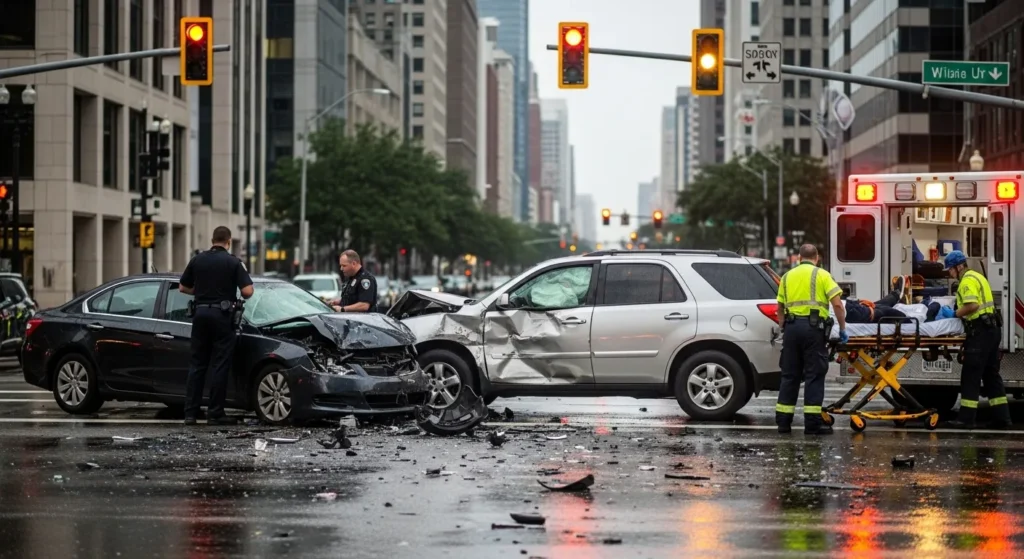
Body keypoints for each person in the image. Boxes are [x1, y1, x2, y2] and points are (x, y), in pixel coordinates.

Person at [178, 226, 254, 426]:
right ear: (228, 242)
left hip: (200, 314)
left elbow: (182, 286)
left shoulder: (197, 260)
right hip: (222, 316)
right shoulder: (233, 262)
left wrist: (202, 292)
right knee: (220, 364)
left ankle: (190, 413)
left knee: (197, 364)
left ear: (212, 240)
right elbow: (247, 291)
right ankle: (215, 412)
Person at [775, 244, 847, 435]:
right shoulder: (822, 275)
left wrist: (784, 328)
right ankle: (812, 424)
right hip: (813, 330)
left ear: (799, 257)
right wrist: (842, 328)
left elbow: (780, 308)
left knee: (790, 375)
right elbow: (838, 305)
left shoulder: (786, 277)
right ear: (817, 257)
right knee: (814, 375)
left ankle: (783, 423)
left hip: (791, 329)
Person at [943, 250, 1011, 429]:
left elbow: (972, 305)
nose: (950, 274)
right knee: (991, 375)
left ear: (959, 267)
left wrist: (954, 313)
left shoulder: (966, 281)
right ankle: (1002, 418)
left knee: (971, 375)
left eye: (950, 270)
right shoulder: (978, 276)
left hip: (980, 332)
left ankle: (965, 419)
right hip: (993, 330)